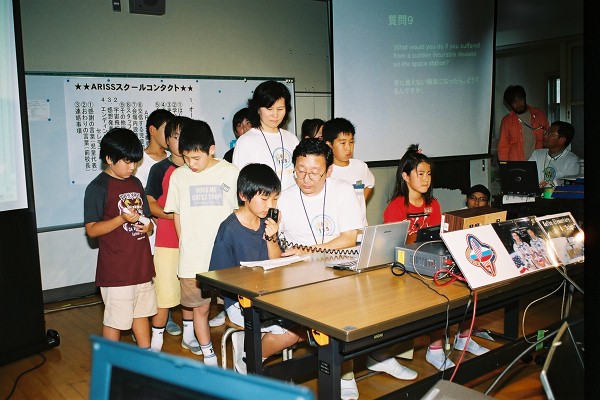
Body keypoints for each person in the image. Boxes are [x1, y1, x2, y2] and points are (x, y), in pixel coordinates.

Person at [277, 138, 410, 399]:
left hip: (340, 267)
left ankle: (378, 355)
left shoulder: (342, 190)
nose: (306, 179)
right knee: (341, 313)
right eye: (300, 171)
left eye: (315, 172)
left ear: (328, 171)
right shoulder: (285, 197)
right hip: (301, 277)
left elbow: (349, 238)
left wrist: (310, 249)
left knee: (388, 299)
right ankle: (345, 374)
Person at [209, 163, 305, 374]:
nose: (270, 205)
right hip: (239, 301)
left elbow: (276, 263)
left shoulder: (266, 222)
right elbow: (220, 279)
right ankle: (249, 361)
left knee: (305, 327)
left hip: (268, 296)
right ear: (243, 195)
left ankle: (252, 354)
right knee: (292, 333)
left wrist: (272, 237)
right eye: (264, 199)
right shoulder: (229, 229)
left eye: (274, 199)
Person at [164, 119, 239, 365]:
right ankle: (208, 353)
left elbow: (238, 212)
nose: (191, 163)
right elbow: (177, 214)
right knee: (200, 308)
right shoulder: (179, 176)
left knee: (236, 307)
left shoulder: (231, 172)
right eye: (186, 158)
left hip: (226, 257)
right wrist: (186, 244)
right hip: (193, 259)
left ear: (212, 149)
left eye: (196, 158)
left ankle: (243, 352)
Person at [83, 128, 157, 349]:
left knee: (141, 314)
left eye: (135, 162)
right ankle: (110, 362)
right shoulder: (97, 187)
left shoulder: (135, 183)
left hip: (141, 265)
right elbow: (92, 230)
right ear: (109, 158)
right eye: (126, 162)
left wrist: (149, 228)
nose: (132, 167)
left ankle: (146, 357)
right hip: (117, 270)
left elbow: (148, 221)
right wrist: (121, 219)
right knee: (115, 321)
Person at [383, 145, 453, 370]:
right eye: (420, 174)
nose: (426, 179)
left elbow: (437, 238)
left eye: (429, 174)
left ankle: (436, 349)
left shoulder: (434, 205)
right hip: (404, 269)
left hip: (428, 264)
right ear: (405, 176)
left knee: (443, 295)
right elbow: (394, 246)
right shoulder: (395, 207)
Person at [145, 116, 192, 352]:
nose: (180, 141)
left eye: (185, 136)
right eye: (175, 136)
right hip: (167, 241)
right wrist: (175, 216)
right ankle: (156, 341)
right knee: (164, 293)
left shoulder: (198, 167)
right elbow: (150, 204)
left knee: (191, 293)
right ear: (167, 139)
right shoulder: (159, 169)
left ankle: (190, 336)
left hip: (194, 241)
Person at [135, 108, 181, 337]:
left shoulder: (179, 162)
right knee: (150, 280)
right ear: (152, 131)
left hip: (170, 232)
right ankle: (144, 323)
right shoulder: (139, 162)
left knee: (169, 279)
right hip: (149, 230)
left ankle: (167, 316)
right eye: (167, 130)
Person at [232, 80, 299, 191]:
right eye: (269, 109)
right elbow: (241, 183)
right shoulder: (245, 142)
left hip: (292, 200)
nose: (275, 114)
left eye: (280, 109)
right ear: (258, 109)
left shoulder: (292, 139)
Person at [323, 117, 374, 228]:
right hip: (338, 231)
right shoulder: (326, 171)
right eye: (342, 143)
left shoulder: (360, 166)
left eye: (351, 142)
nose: (348, 148)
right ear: (329, 144)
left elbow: (370, 185)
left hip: (361, 229)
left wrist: (359, 201)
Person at [497, 85, 549, 161]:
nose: (518, 104)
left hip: (538, 161)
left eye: (520, 100)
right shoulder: (507, 121)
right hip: (517, 163)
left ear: (524, 98)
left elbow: (548, 138)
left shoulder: (539, 114)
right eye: (514, 102)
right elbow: (503, 147)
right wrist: (505, 166)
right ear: (509, 105)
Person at [528, 121, 581, 188]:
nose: (544, 136)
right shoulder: (537, 154)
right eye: (546, 133)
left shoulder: (571, 161)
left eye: (551, 134)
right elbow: (527, 176)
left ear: (561, 140)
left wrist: (551, 185)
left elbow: (570, 187)